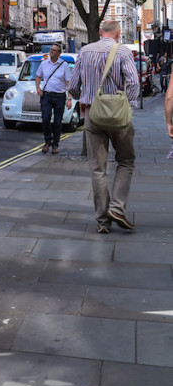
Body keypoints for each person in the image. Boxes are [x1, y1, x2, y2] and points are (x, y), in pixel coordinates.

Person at [69, 19, 140, 234]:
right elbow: (134, 83)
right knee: (126, 161)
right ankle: (117, 208)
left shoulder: (85, 51)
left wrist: (81, 99)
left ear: (100, 32)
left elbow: (73, 85)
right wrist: (128, 105)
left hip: (93, 114)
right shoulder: (124, 52)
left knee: (97, 169)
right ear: (118, 34)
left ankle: (102, 221)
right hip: (118, 116)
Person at [35, 43, 72, 154]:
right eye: (51, 50)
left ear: (59, 53)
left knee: (57, 122)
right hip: (46, 95)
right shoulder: (44, 64)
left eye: (54, 50)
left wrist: (69, 98)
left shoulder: (64, 65)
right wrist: (38, 88)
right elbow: (38, 76)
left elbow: (68, 82)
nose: (51, 52)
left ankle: (55, 144)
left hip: (59, 96)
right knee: (45, 119)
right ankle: (47, 141)